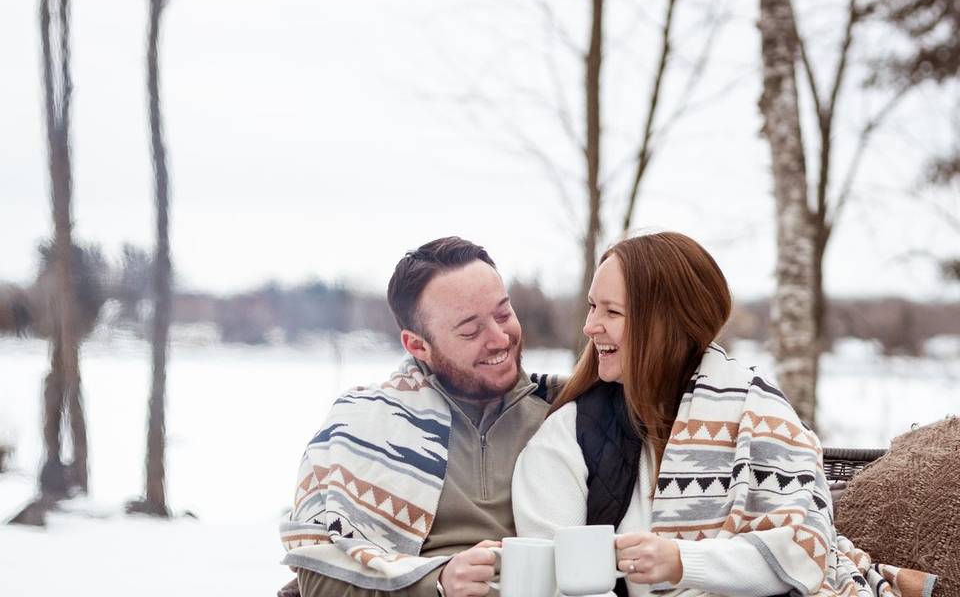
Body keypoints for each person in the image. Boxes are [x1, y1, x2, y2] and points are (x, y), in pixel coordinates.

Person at [512, 232, 936, 597]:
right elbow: (550, 576)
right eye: (591, 307)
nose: (590, 327)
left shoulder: (759, 415)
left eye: (612, 312)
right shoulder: (569, 435)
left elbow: (803, 550)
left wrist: (683, 560)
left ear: (664, 326)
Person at [280, 236, 556, 597]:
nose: (500, 338)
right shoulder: (360, 428)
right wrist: (436, 581)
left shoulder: (563, 414)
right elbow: (318, 579)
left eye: (504, 313)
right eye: (471, 330)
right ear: (417, 345)